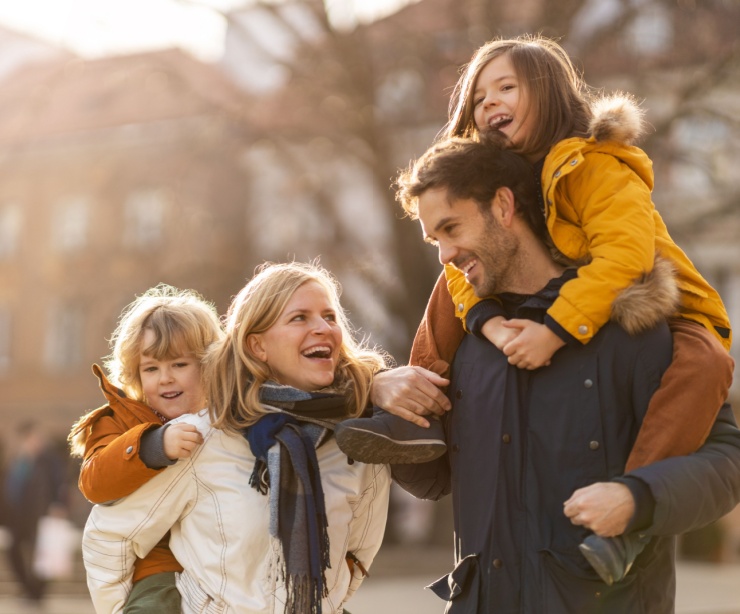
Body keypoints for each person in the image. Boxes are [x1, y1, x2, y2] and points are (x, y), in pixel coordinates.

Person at [336, 34, 734, 584]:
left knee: (705, 363)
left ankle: (628, 519)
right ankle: (413, 418)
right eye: (479, 98)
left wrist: (552, 330)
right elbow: (465, 270)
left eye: (506, 87)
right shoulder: (508, 180)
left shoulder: (595, 165)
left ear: (548, 94)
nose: (490, 103)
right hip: (492, 585)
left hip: (662, 300)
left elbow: (625, 254)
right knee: (451, 282)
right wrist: (485, 324)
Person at [382, 135, 740, 612]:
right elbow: (429, 479)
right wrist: (378, 395)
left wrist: (638, 499)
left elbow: (728, 462)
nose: (444, 255)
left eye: (451, 228)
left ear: (504, 206)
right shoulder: (469, 346)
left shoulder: (632, 332)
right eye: (435, 240)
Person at [82, 262, 392, 614]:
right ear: (257, 346)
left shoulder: (358, 439)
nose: (322, 328)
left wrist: (325, 601)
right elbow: (107, 531)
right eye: (300, 318)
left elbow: (357, 552)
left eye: (330, 316)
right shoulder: (200, 436)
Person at [68, 284, 223, 613]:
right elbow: (95, 483)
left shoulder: (227, 419)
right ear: (135, 374)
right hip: (160, 564)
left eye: (179, 365)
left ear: (209, 365)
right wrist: (152, 446)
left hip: (224, 556)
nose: (165, 378)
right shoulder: (119, 420)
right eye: (151, 369)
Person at [2, 420, 68, 604]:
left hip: (42, 514)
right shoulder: (16, 461)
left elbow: (59, 484)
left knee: (43, 554)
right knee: (13, 550)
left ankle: (36, 592)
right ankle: (28, 588)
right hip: (17, 517)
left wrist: (58, 504)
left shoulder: (48, 461)